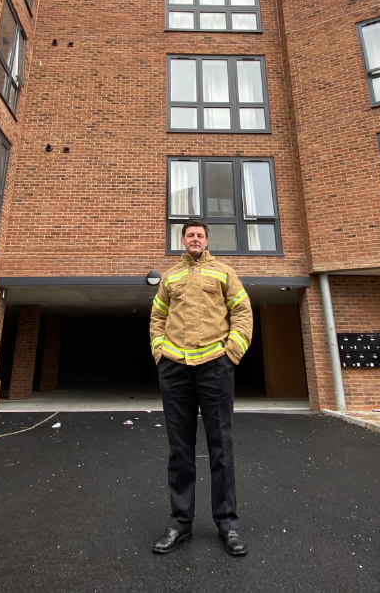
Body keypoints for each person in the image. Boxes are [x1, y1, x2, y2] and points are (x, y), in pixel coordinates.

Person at [149, 220, 252, 557]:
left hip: (214, 367)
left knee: (220, 446)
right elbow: (157, 317)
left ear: (207, 240)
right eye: (190, 235)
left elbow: (242, 312)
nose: (195, 239)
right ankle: (180, 524)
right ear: (182, 240)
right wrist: (159, 352)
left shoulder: (224, 273)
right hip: (175, 368)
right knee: (180, 449)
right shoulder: (170, 276)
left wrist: (231, 354)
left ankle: (228, 525)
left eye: (200, 235)